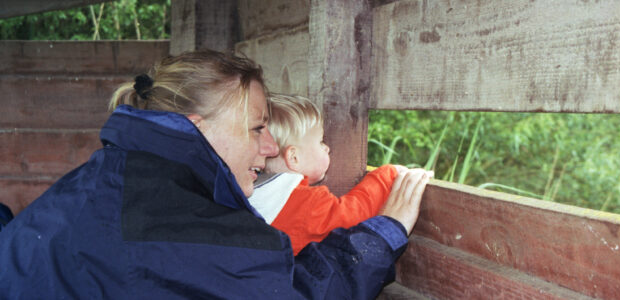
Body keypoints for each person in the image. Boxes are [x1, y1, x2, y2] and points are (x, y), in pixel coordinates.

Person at [0, 49, 432, 299]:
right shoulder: (179, 221)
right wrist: (385, 232)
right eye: (258, 127)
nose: (270, 147)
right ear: (199, 126)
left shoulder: (104, 180)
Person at [249, 94, 427, 256]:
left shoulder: (254, 194)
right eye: (320, 142)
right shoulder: (304, 204)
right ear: (294, 157)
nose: (327, 148)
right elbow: (354, 214)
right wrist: (386, 176)